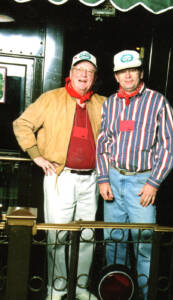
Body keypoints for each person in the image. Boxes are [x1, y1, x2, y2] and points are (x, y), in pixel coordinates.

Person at [13, 50, 106, 300]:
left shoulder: (102, 102)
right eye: (79, 70)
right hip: (60, 176)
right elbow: (21, 124)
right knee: (58, 234)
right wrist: (36, 155)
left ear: (94, 77)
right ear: (70, 73)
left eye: (89, 71)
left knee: (87, 236)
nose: (84, 75)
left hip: (92, 178)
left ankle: (82, 288)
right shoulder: (51, 98)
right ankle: (58, 287)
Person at [96, 50, 173, 300]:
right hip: (113, 180)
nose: (128, 75)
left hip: (142, 183)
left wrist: (154, 183)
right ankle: (119, 295)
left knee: (144, 245)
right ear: (116, 76)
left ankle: (143, 296)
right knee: (115, 243)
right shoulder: (110, 103)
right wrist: (103, 178)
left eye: (132, 70)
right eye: (122, 71)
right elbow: (103, 144)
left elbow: (169, 147)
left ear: (141, 72)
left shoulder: (158, 102)